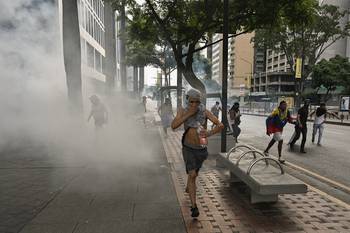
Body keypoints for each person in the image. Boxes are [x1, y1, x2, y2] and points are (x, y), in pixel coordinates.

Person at [171, 89, 224, 218]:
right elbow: (174, 125)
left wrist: (209, 133)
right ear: (187, 100)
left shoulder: (204, 111)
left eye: (197, 101)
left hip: (201, 149)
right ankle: (194, 206)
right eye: (191, 101)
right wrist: (188, 114)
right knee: (192, 174)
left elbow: (220, 125)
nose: (194, 104)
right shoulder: (182, 110)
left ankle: (190, 186)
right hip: (188, 148)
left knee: (194, 175)